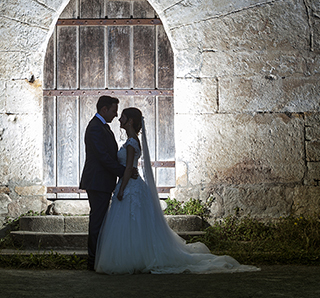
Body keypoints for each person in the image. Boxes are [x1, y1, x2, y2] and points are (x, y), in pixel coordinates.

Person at [95, 107, 259, 274]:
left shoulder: (131, 143)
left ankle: (131, 258)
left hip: (129, 187)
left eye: (122, 116)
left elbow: (129, 169)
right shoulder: (132, 141)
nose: (118, 118)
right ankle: (136, 256)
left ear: (129, 121)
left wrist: (121, 190)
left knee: (131, 224)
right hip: (132, 185)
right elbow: (129, 168)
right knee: (136, 225)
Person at [79, 95, 133, 271]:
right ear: (104, 109)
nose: (116, 116)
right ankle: (92, 260)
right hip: (97, 181)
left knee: (101, 221)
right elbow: (103, 157)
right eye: (113, 111)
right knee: (97, 221)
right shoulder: (95, 128)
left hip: (102, 181)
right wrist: (123, 172)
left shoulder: (102, 127)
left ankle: (97, 258)